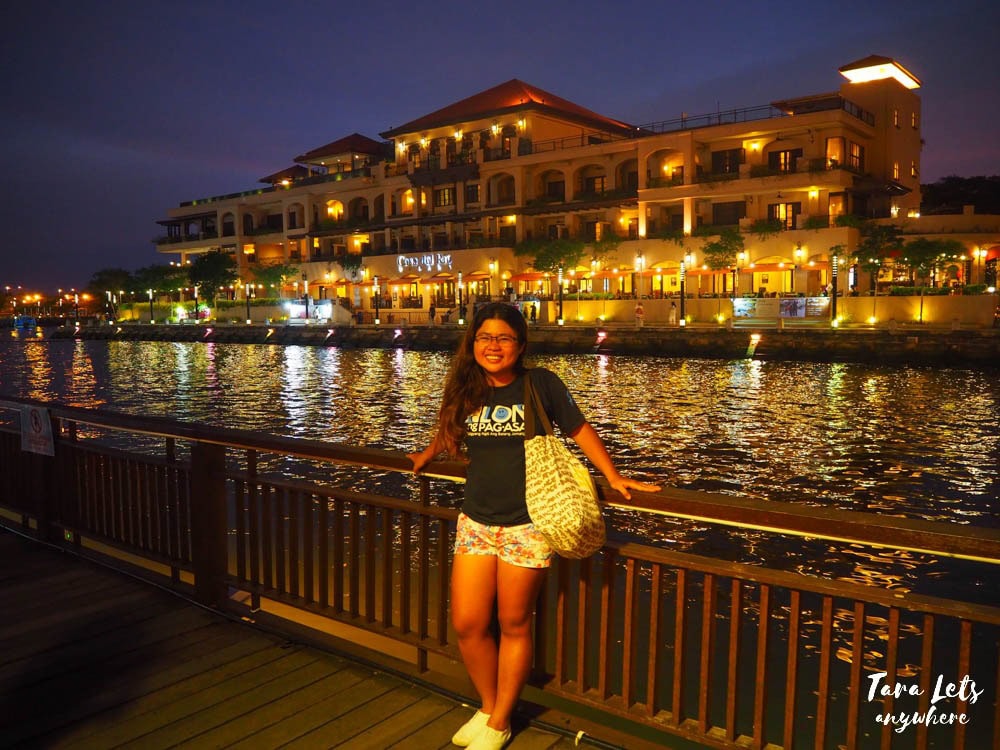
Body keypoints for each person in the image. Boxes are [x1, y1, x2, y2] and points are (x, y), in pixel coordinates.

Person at [408, 302, 659, 750]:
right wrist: (427, 455)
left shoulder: (539, 383)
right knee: (467, 623)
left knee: (513, 622)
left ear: (520, 345)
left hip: (530, 521)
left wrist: (614, 475)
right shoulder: (466, 387)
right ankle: (488, 707)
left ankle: (501, 720)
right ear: (473, 343)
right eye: (485, 337)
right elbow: (450, 430)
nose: (493, 346)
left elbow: (580, 429)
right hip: (476, 519)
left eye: (504, 338)